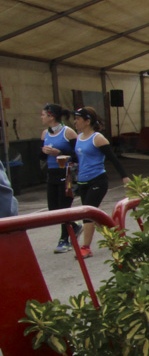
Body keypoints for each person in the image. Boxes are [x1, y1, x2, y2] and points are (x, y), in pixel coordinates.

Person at [67, 107, 130, 258]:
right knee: (93, 216)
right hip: (83, 182)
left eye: (78, 119)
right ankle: (115, 236)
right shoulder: (79, 138)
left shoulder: (98, 138)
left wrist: (124, 177)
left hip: (97, 180)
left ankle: (85, 247)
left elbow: (114, 159)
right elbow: (78, 159)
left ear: (87, 121)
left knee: (88, 215)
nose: (75, 122)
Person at [40, 103, 80, 253]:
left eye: (43, 115)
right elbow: (40, 157)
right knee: (53, 210)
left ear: (51, 116)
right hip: (52, 173)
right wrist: (44, 152)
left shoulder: (68, 132)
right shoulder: (45, 134)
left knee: (64, 207)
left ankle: (64, 239)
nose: (41, 118)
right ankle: (75, 226)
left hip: (67, 173)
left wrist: (59, 152)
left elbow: (77, 155)